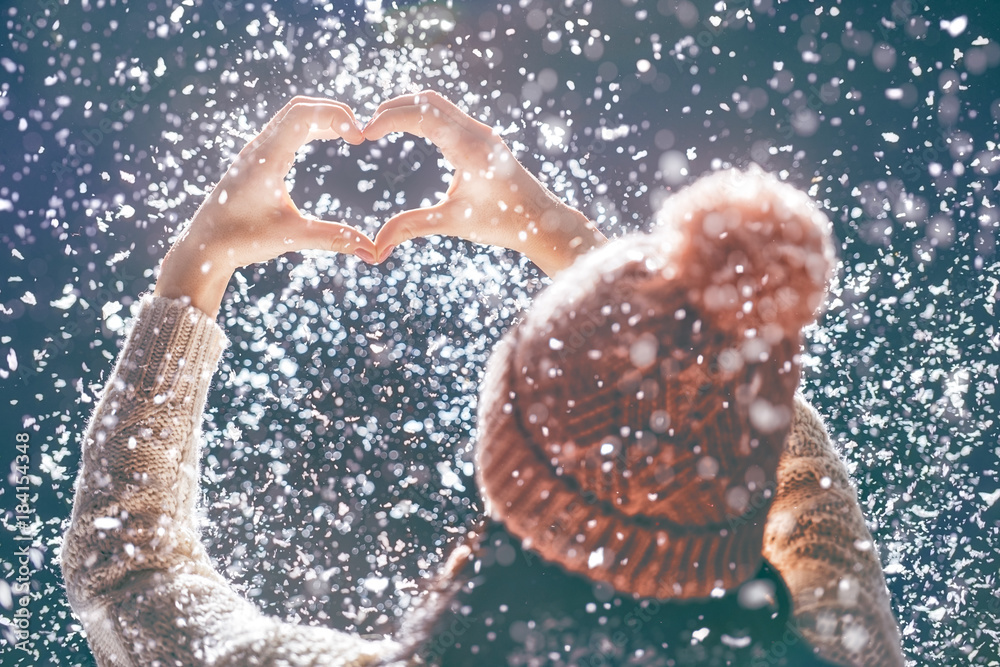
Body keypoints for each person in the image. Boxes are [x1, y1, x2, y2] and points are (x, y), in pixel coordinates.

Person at [61, 93, 903, 666]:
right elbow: (782, 458)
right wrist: (596, 260)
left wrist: (190, 275)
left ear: (502, 461)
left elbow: (125, 574)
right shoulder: (838, 646)